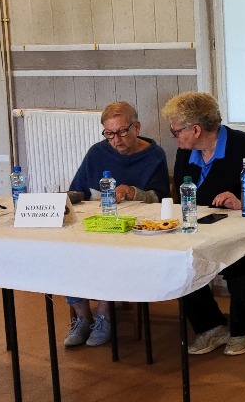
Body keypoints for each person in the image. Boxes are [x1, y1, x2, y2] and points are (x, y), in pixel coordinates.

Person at [163, 91, 245, 356]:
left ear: (196, 130)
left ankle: (243, 327)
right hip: (203, 229)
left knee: (243, 257)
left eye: (176, 130)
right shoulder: (185, 152)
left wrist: (242, 202)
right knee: (179, 258)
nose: (174, 136)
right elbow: (182, 193)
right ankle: (211, 326)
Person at [62, 101, 170, 348]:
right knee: (66, 250)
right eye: (109, 134)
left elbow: (163, 199)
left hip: (134, 228)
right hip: (97, 222)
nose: (116, 140)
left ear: (136, 127)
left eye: (122, 132)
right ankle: (82, 318)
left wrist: (133, 191)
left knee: (109, 252)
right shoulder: (97, 152)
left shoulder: (154, 155)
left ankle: (104, 316)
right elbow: (77, 191)